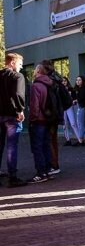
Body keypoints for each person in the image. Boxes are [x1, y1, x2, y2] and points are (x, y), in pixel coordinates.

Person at [0, 53, 28, 187]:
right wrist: (20, 110)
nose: (21, 67)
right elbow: (17, 94)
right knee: (12, 146)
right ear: (12, 62)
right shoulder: (17, 76)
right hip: (12, 116)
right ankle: (12, 177)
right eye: (20, 64)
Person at [28, 65, 55, 184]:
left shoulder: (36, 86)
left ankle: (41, 172)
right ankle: (48, 170)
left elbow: (34, 106)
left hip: (38, 120)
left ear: (38, 71)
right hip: (48, 119)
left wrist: (32, 119)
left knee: (37, 147)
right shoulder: (50, 84)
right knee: (46, 145)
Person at [72, 76, 85, 145]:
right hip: (84, 108)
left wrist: (76, 100)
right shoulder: (79, 88)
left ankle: (80, 140)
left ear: (82, 81)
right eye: (77, 80)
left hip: (82, 108)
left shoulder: (83, 89)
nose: (77, 81)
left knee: (80, 124)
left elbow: (81, 98)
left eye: (79, 80)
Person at [62, 77, 81, 146]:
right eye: (62, 81)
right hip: (63, 108)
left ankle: (80, 139)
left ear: (67, 81)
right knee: (65, 125)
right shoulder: (59, 90)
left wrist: (73, 102)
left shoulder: (71, 89)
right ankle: (68, 140)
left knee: (73, 123)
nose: (64, 82)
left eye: (65, 81)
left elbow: (75, 99)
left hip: (69, 107)